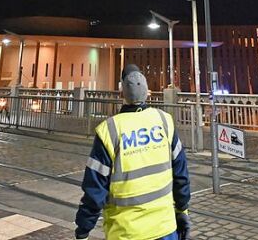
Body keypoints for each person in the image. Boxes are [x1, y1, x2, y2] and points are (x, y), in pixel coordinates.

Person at [74, 65, 190, 240]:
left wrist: (83, 229)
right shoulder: (164, 122)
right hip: (164, 228)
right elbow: (181, 174)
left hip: (125, 232)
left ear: (122, 94)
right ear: (147, 92)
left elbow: (95, 188)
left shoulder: (110, 130)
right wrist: (182, 210)